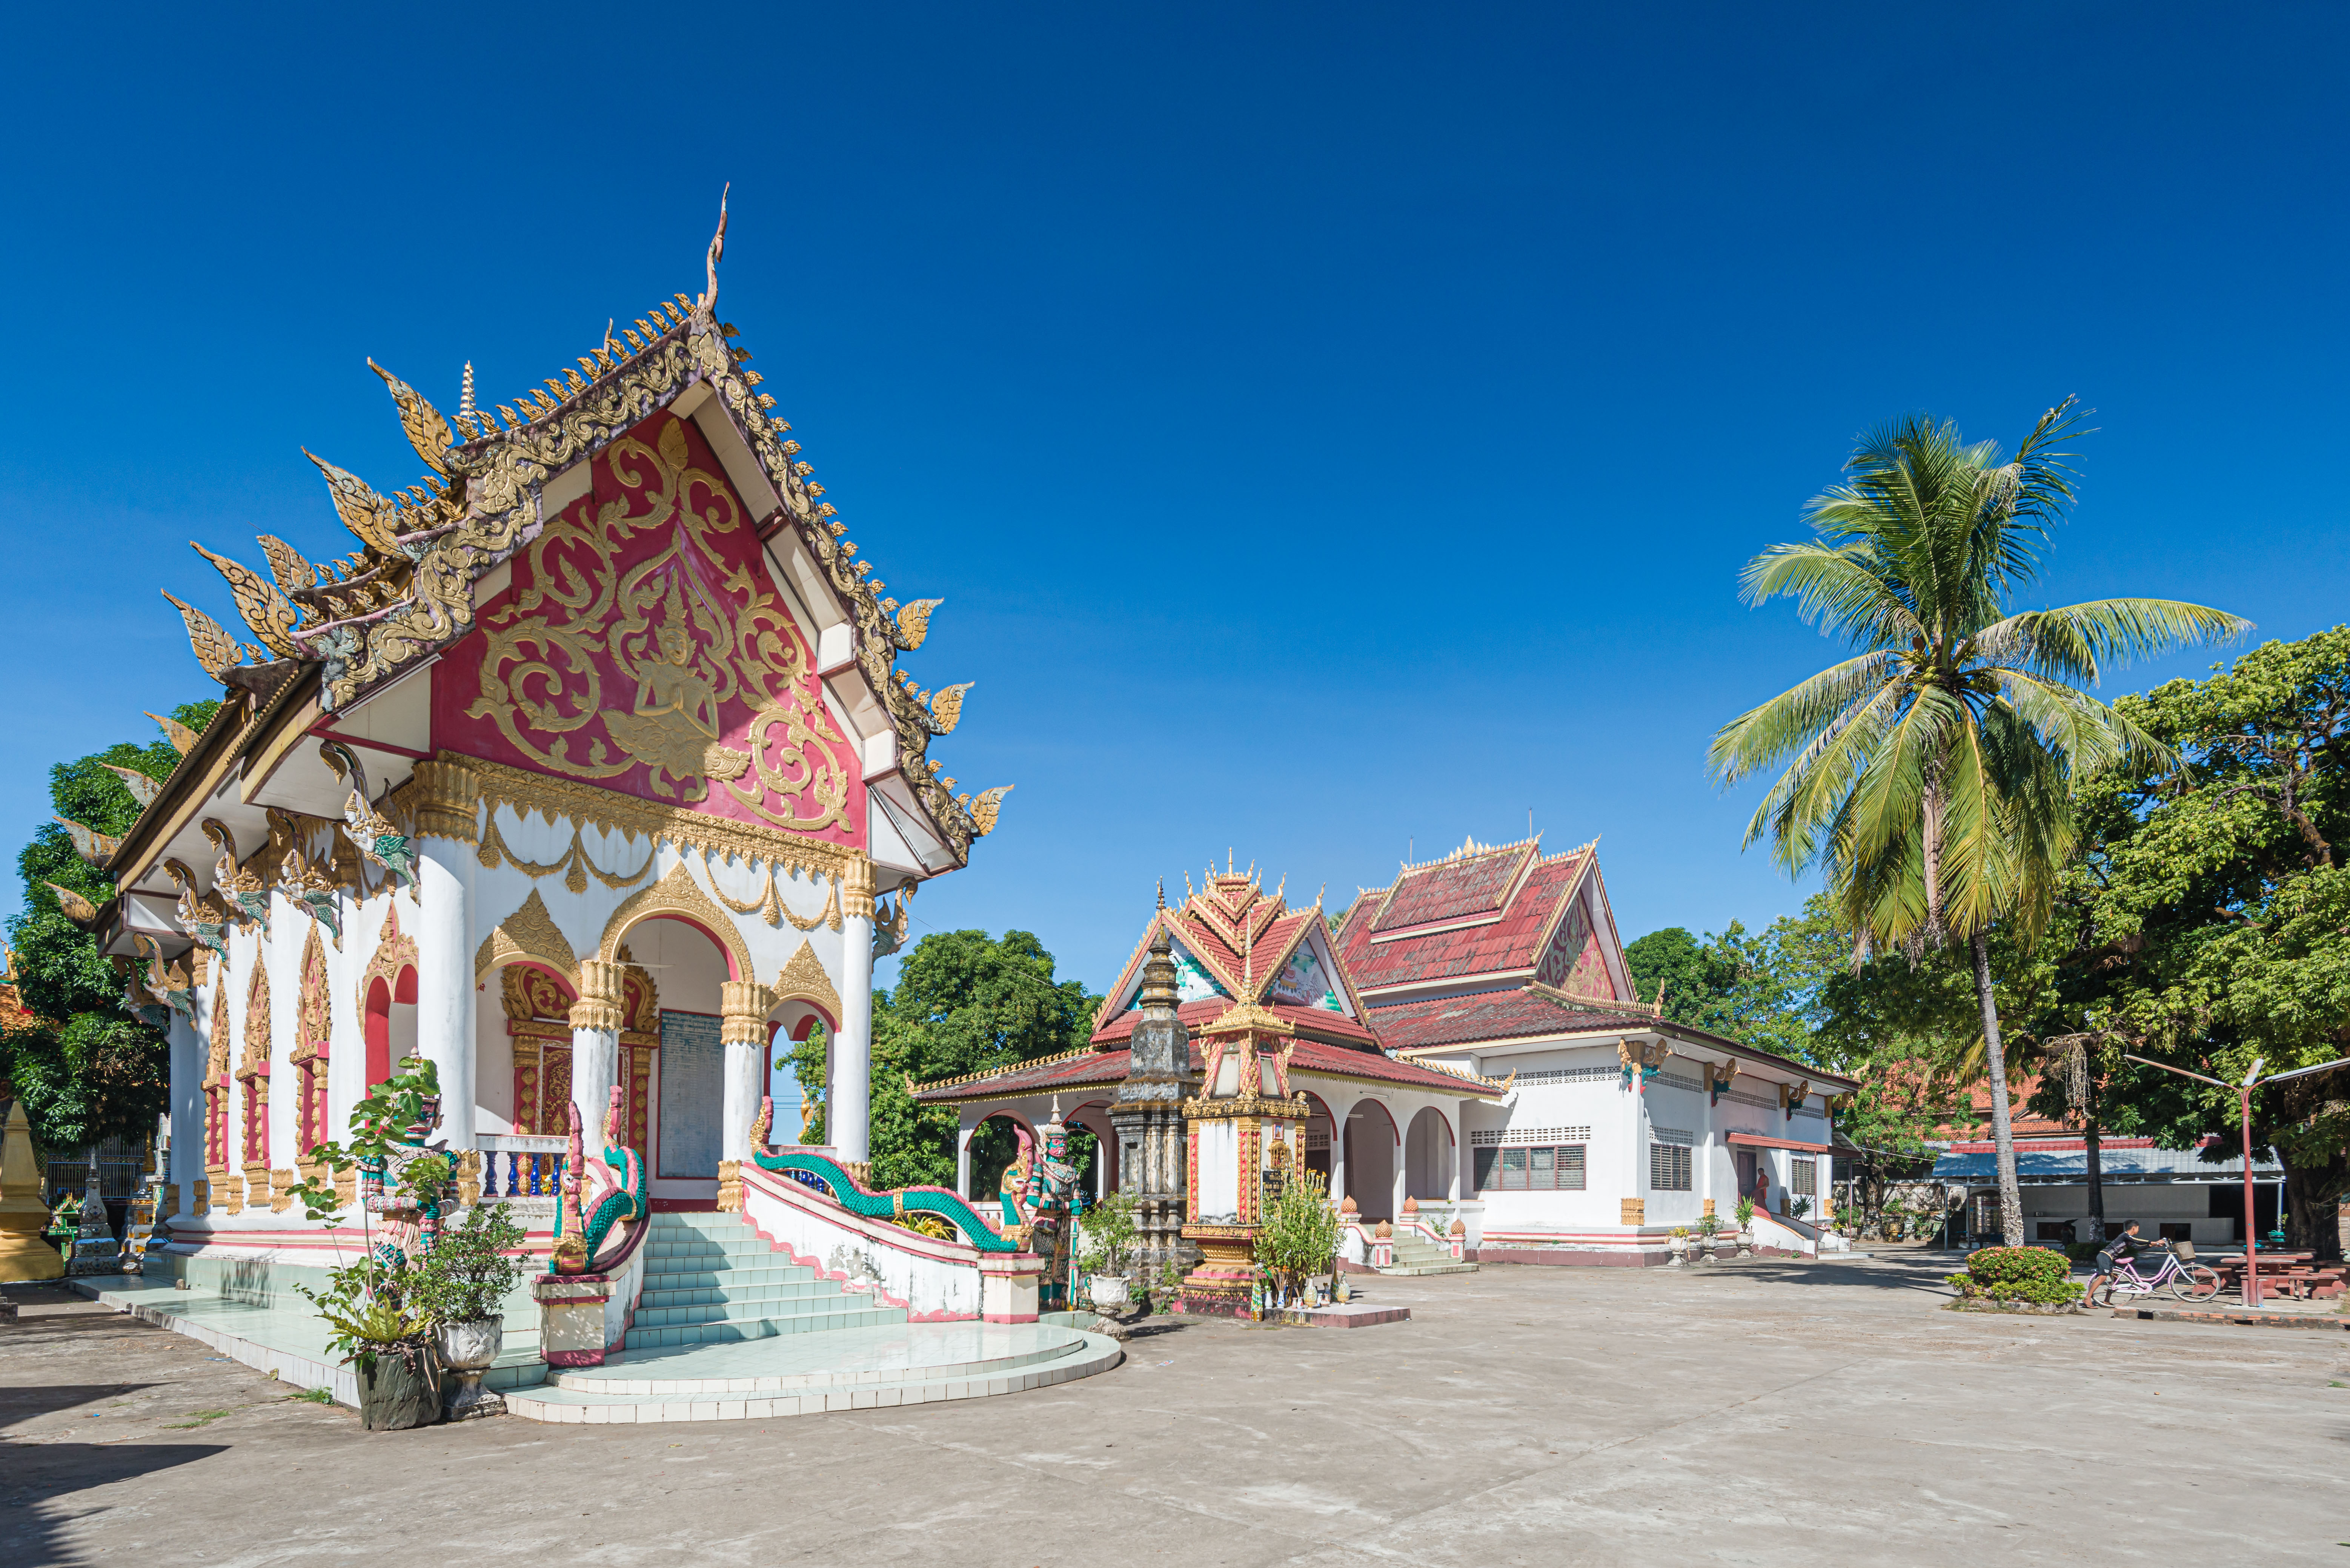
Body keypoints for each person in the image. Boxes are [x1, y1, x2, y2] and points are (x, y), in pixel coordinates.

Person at [2083, 1219, 2158, 1305]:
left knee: (2115, 1279)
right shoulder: (2125, 1236)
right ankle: (2087, 1298)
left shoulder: (2129, 1240)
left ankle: (2106, 1301)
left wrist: (2151, 1245)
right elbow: (2137, 1241)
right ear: (2134, 1228)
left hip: (2110, 1259)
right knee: (2103, 1278)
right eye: (2138, 1228)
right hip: (2105, 1256)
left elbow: (2137, 1247)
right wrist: (2153, 1242)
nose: (2138, 1230)